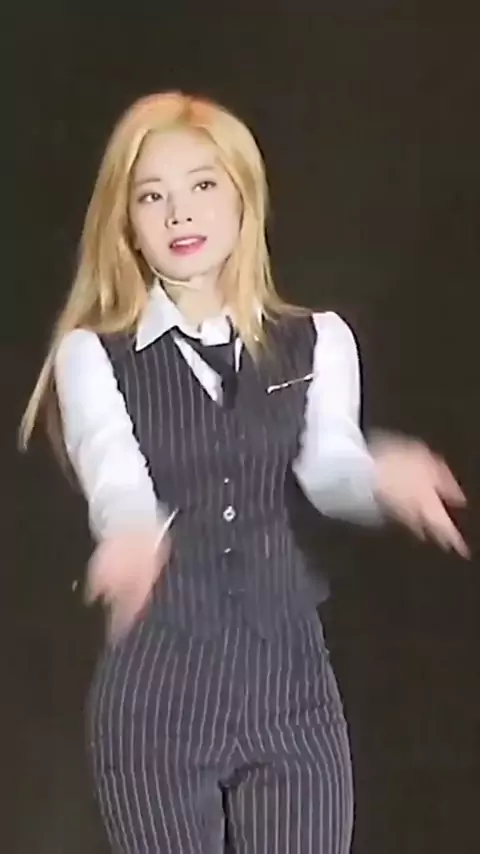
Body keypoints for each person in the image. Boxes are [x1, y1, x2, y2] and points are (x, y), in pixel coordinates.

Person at [20, 91, 469, 854]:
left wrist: (380, 476)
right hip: (158, 699)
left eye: (202, 185)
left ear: (242, 198)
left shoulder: (319, 340)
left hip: (290, 689)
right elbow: (114, 471)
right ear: (127, 223)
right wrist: (130, 538)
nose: (179, 214)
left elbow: (328, 466)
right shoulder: (92, 355)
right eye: (151, 197)